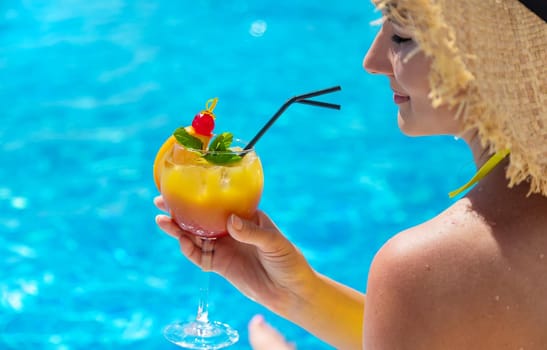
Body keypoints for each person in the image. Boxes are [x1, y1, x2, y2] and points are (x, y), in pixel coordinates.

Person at [155, 0, 547, 348]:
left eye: (403, 35)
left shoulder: (423, 269)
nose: (372, 62)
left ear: (495, 58)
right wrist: (293, 293)